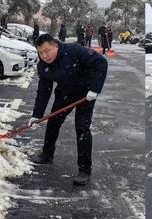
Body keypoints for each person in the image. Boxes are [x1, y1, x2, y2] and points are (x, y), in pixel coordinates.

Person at [29, 34, 108, 186]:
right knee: (53, 123)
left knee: (82, 128)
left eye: (47, 50)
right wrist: (36, 115)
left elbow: (101, 62)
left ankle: (84, 170)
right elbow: (44, 91)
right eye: (41, 52)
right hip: (65, 93)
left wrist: (95, 89)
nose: (45, 56)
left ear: (56, 46)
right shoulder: (43, 66)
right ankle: (47, 153)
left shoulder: (74, 50)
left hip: (86, 94)